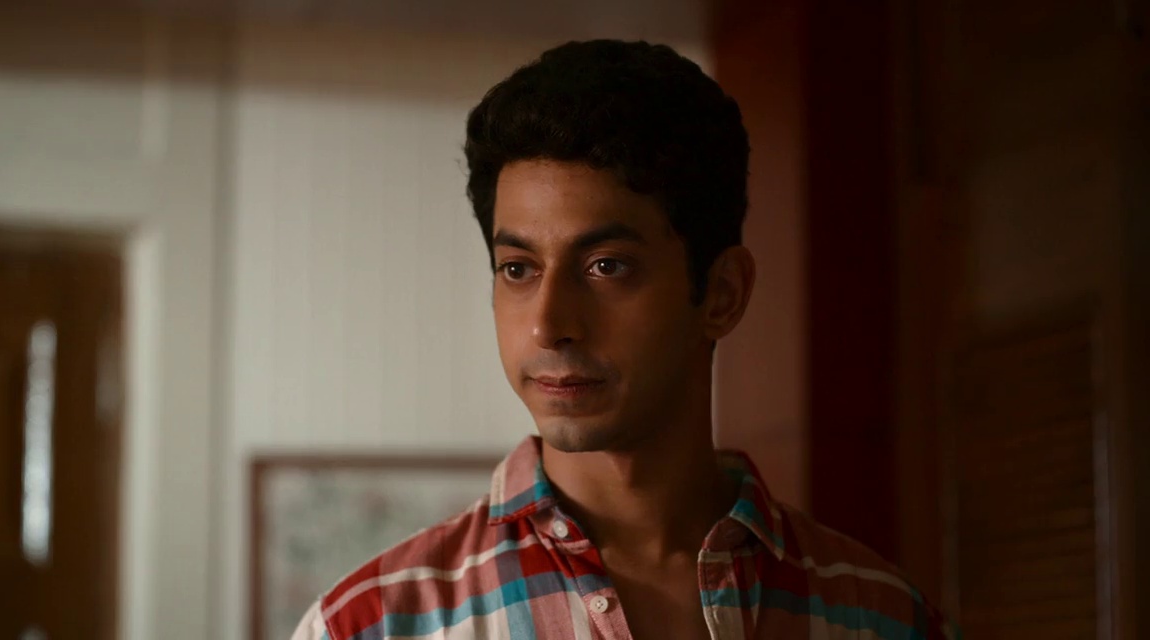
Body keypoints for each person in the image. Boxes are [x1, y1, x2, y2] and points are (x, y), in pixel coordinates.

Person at [291, 39, 957, 640]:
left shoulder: (878, 619)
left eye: (606, 266)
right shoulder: (372, 626)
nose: (548, 324)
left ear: (722, 294)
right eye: (518, 269)